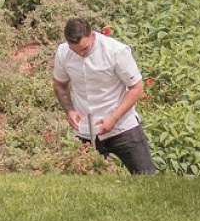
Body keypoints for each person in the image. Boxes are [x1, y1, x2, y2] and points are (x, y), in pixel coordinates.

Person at [52, 18, 157, 175]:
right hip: (86, 132)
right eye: (75, 51)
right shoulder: (63, 52)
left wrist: (114, 118)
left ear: (93, 36)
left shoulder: (116, 51)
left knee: (147, 178)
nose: (81, 54)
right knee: (87, 190)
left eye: (85, 49)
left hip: (123, 127)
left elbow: (137, 87)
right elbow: (59, 85)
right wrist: (70, 111)